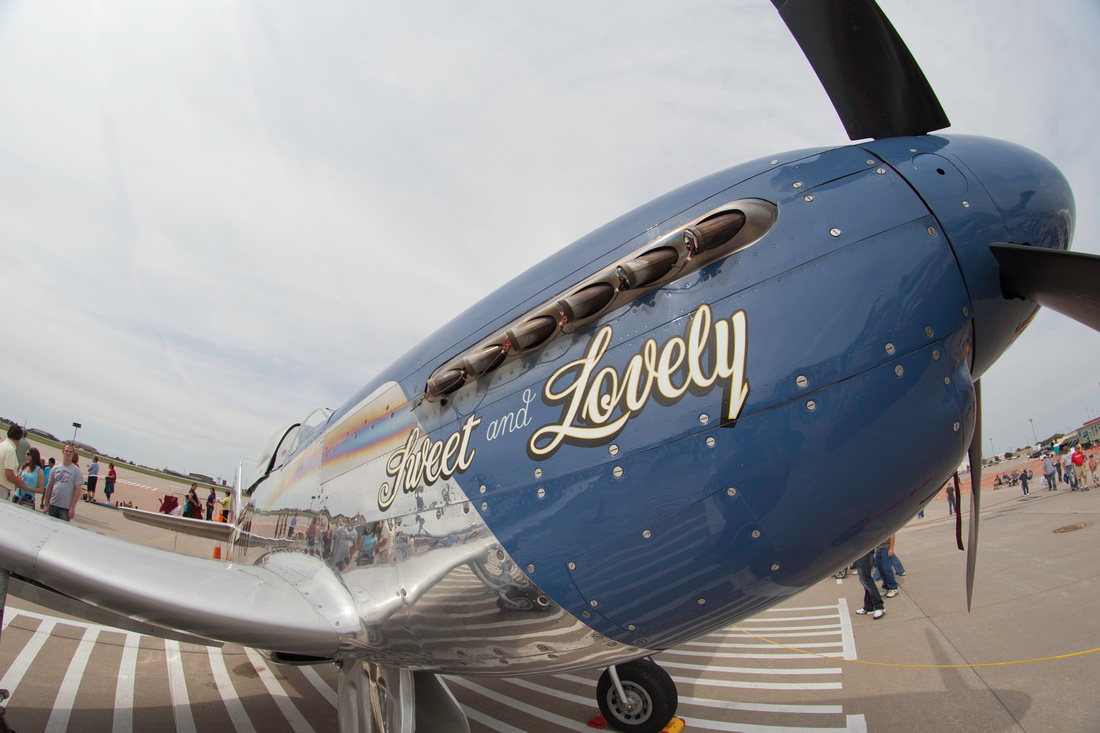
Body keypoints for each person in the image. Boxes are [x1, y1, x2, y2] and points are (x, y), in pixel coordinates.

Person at [42, 443, 84, 521]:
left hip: (65, 508)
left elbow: (77, 490)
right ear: (63, 452)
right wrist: (46, 504)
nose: (68, 453)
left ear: (73, 454)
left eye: (70, 452)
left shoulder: (76, 471)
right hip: (53, 505)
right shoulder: (55, 468)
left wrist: (72, 507)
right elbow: (49, 487)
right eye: (66, 451)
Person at [1, 424, 34, 501]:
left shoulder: (2, 445)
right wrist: (18, 482)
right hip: (2, 488)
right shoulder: (10, 449)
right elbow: (8, 473)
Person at [853, 550, 885, 619]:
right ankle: (868, 606)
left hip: (865, 552)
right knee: (863, 580)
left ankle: (879, 606)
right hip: (859, 553)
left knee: (867, 580)